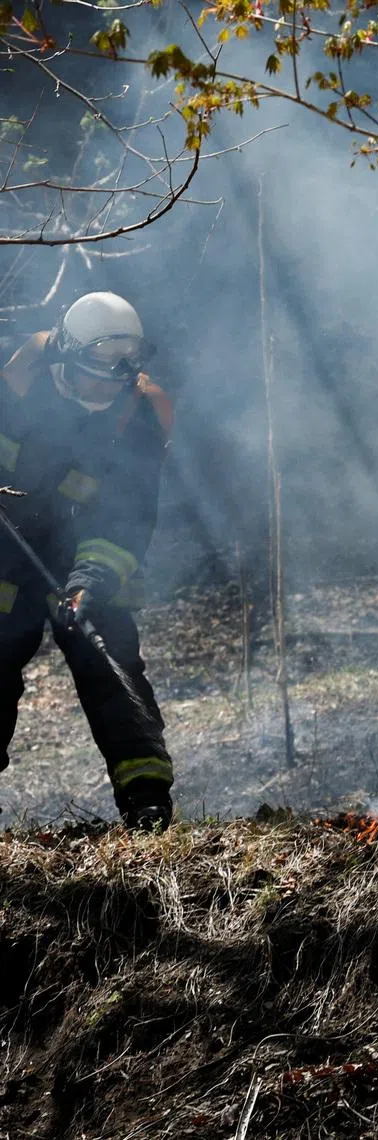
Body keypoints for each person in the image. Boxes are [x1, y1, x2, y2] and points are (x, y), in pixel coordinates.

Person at [0, 291, 175, 830]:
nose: (105, 389)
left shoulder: (142, 414)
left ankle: (146, 799)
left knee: (111, 662)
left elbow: (128, 518)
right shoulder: (13, 384)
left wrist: (90, 583)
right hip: (4, 553)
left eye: (115, 378)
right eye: (92, 376)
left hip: (84, 553)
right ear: (63, 360)